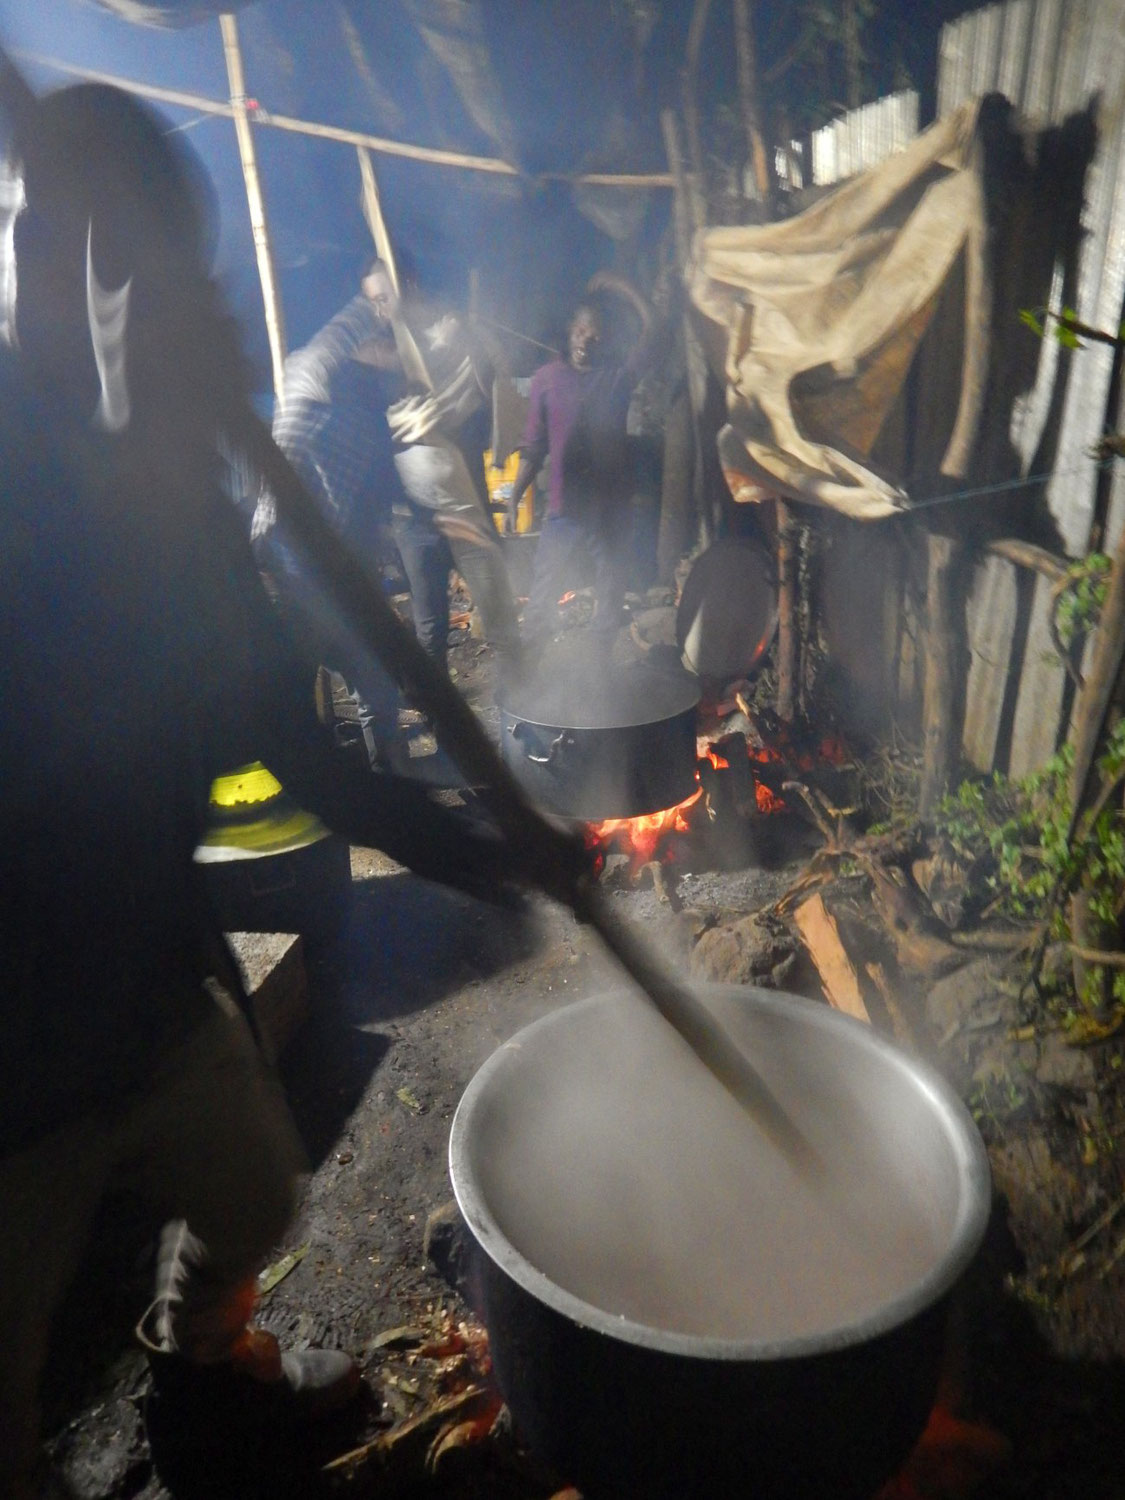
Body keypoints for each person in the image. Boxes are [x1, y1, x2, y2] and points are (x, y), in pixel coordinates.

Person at [0, 78, 576, 1500]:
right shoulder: (26, 477)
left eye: (181, 269)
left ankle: (201, 1362)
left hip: (148, 988)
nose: (189, 307)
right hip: (9, 1059)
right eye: (121, 269)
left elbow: (308, 759)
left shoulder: (193, 525)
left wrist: (500, 852)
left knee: (258, 1190)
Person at [251, 259, 407, 764]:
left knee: (369, 678)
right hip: (292, 554)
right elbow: (341, 335)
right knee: (355, 672)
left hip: (330, 556)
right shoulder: (310, 377)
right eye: (382, 336)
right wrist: (374, 300)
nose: (389, 343)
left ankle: (377, 768)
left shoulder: (361, 413)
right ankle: (337, 774)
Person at [381, 263, 524, 678]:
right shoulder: (386, 353)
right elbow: (388, 424)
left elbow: (487, 382)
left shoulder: (453, 336)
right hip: (415, 523)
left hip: (465, 508)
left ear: (410, 283)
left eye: (387, 292)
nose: (382, 305)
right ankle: (445, 729)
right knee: (429, 632)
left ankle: (524, 713)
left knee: (500, 622)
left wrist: (456, 341)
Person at [506, 272, 653, 659]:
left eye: (596, 332)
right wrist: (514, 497)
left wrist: (624, 287)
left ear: (603, 339)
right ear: (571, 329)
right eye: (582, 328)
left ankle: (598, 666)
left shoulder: (616, 379)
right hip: (565, 506)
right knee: (544, 588)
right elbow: (534, 444)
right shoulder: (547, 379)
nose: (588, 337)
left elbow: (653, 333)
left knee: (610, 588)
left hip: (610, 507)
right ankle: (530, 668)